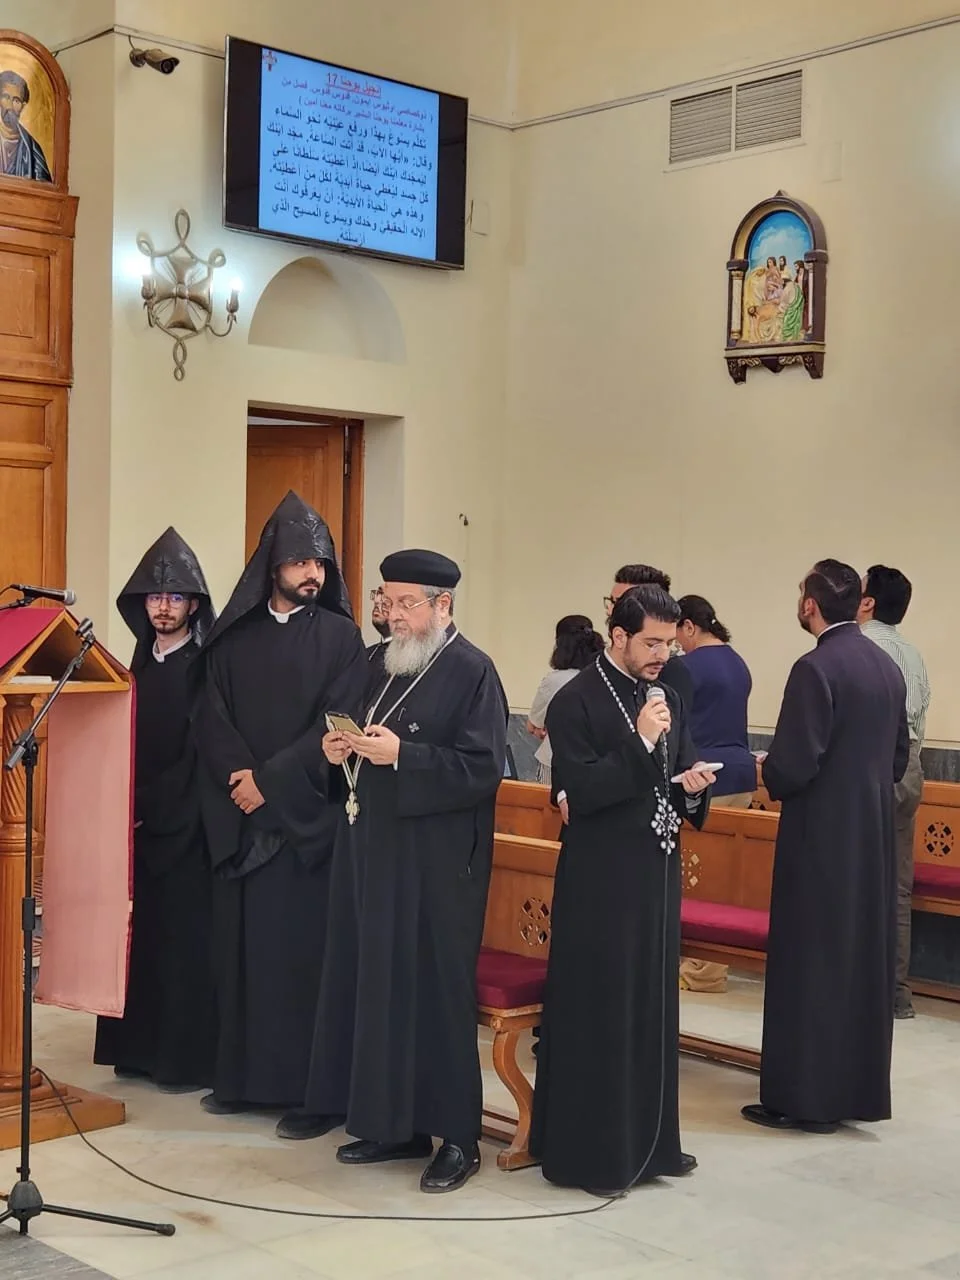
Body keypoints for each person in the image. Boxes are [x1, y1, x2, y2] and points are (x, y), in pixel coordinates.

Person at [277, 550, 508, 1195]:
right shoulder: (377, 662)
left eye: (408, 603)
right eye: (388, 600)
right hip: (372, 853)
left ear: (443, 605)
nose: (394, 614)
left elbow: (482, 768)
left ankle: (457, 1138)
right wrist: (336, 750)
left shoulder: (472, 670)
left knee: (434, 995)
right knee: (377, 987)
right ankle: (392, 1125)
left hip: (437, 867)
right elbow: (350, 732)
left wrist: (405, 755)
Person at [530, 586, 714, 1194]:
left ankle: (654, 1145)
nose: (664, 655)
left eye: (670, 643)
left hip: (655, 872)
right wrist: (640, 742)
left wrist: (693, 786)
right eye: (651, 643)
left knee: (651, 1004)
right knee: (603, 1006)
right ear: (618, 636)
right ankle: (595, 1154)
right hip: (600, 876)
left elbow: (678, 769)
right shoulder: (576, 700)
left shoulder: (668, 696)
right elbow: (581, 793)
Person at [195, 490, 367, 1116]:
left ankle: (307, 1096)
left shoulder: (344, 639)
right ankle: (242, 1082)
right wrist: (241, 780)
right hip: (243, 821)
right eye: (300, 562)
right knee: (244, 960)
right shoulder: (233, 639)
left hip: (304, 826)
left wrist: (268, 783)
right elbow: (210, 717)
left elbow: (336, 724)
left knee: (300, 963)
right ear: (273, 566)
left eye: (320, 563)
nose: (312, 573)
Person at [742, 560, 909, 1134]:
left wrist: (767, 768)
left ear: (810, 605)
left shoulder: (815, 667)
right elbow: (898, 760)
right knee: (857, 958)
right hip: (872, 834)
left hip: (820, 834)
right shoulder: (886, 667)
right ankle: (853, 1091)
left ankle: (804, 1099)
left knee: (809, 958)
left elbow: (795, 764)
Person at [94, 528, 217, 1092]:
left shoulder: (205, 670)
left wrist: (153, 808)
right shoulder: (134, 670)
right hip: (134, 828)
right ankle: (135, 1051)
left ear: (193, 604)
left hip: (186, 829)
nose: (164, 607)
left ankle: (180, 1061)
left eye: (175, 597)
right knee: (138, 941)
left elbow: (200, 753)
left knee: (181, 944)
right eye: (154, 597)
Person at [858, 565, 931, 1020]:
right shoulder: (913, 654)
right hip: (911, 769)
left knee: (854, 879)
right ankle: (896, 993)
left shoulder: (859, 648)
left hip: (870, 767)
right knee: (898, 887)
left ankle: (855, 988)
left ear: (866, 603)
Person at [676, 595, 756, 806]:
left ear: (689, 627)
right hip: (743, 775)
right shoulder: (739, 663)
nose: (678, 645)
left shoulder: (684, 666)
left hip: (702, 775)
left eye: (676, 637)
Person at [527, 615, 604, 787]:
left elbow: (532, 725)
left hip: (555, 764)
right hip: (596, 766)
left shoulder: (555, 680)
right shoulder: (604, 678)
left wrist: (544, 729)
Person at [605, 565, 694, 712]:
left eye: (622, 602)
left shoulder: (672, 674)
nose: (610, 611)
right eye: (612, 602)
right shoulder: (590, 674)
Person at [0, 71, 52, 181]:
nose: (10, 106)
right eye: (6, 97)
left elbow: (43, 186)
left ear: (23, 106)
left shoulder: (32, 149)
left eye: (16, 100)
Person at [366, 586, 391, 661]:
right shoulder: (366, 655)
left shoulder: (413, 658)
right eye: (378, 593)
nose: (376, 600)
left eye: (385, 595)